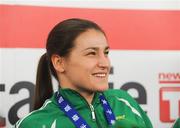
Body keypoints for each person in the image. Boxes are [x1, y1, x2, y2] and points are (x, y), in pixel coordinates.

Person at [14, 18, 153, 128]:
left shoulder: (123, 102)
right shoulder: (33, 124)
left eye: (106, 53)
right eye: (91, 53)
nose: (104, 63)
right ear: (59, 63)